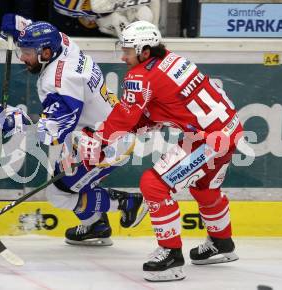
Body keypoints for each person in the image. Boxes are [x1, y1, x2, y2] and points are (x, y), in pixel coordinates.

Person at [80, 20, 242, 281]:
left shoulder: (140, 75)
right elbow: (165, 104)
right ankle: (222, 243)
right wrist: (142, 124)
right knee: (204, 188)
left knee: (153, 185)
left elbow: (124, 117)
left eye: (128, 51)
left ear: (145, 51)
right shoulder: (173, 59)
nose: (124, 57)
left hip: (207, 140)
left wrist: (99, 141)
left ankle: (171, 255)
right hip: (230, 130)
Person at [0, 14, 148, 246]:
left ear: (45, 53)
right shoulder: (63, 44)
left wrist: (17, 121)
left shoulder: (61, 82)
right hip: (93, 132)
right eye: (21, 50)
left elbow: (53, 133)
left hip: (105, 144)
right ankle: (97, 225)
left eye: (27, 53)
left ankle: (127, 203)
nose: (22, 57)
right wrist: (15, 24)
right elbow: (40, 30)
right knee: (68, 181)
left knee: (59, 194)